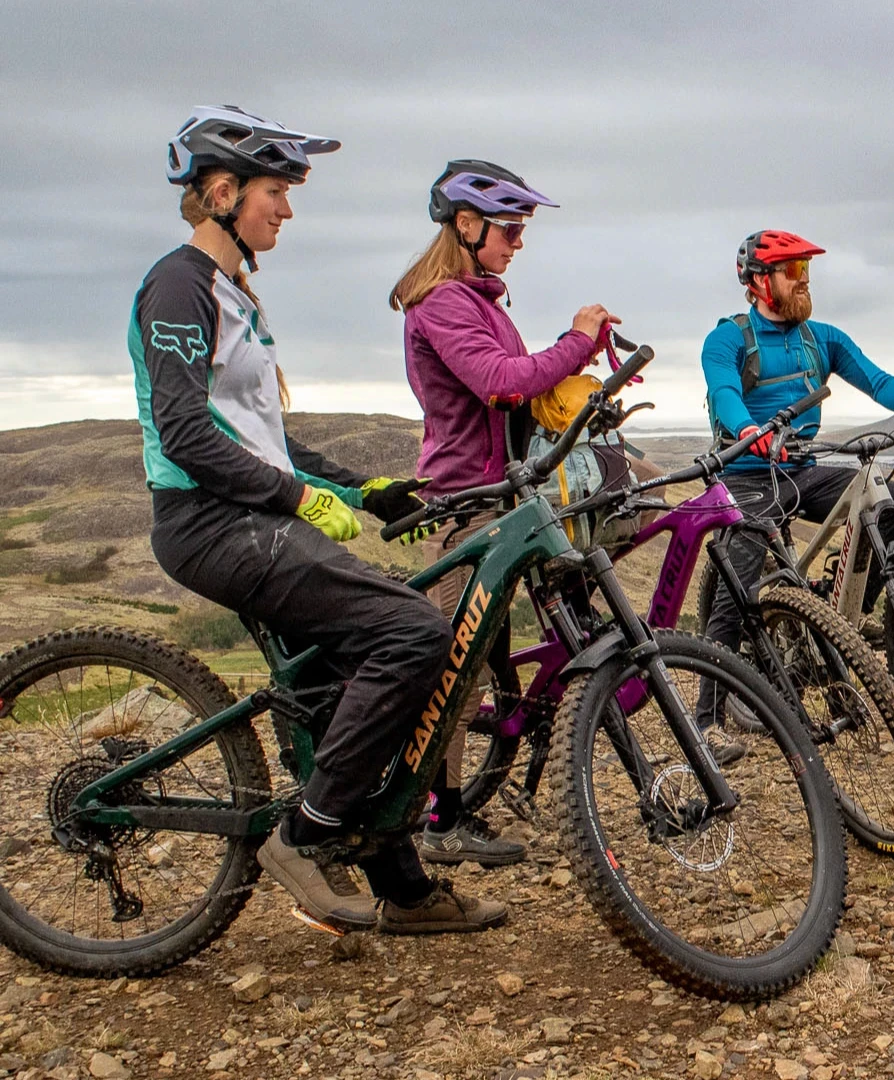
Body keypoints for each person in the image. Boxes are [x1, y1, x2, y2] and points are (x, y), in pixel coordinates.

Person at [135, 106, 506, 934]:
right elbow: (187, 434)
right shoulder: (179, 284)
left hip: (245, 514)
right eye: (276, 191)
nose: (287, 210)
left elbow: (263, 437)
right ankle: (304, 837)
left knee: (352, 674)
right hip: (208, 522)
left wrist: (367, 491)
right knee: (411, 632)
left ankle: (401, 884)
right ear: (223, 190)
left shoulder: (231, 293)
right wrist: (299, 499)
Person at [392, 160, 662, 862]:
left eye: (521, 229)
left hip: (502, 499)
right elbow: (501, 383)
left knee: (518, 644)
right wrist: (574, 339)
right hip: (466, 507)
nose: (518, 242)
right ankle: (437, 819)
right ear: (466, 224)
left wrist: (579, 361)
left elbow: (521, 389)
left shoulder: (479, 302)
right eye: (509, 228)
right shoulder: (445, 303)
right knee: (456, 668)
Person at [696, 230, 894, 760]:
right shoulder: (728, 339)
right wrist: (752, 433)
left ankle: (843, 620)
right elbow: (726, 393)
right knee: (737, 586)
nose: (804, 279)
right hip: (748, 475)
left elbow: (876, 380)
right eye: (792, 269)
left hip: (801, 468)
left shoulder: (821, 338)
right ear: (758, 282)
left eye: (806, 268)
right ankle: (708, 720)